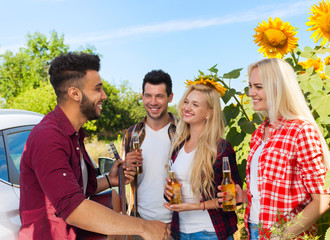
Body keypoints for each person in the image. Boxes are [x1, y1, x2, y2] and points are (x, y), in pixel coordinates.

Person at [19, 52, 170, 240]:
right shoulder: (48, 137)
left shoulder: (74, 135)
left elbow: (76, 189)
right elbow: (74, 208)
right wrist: (144, 228)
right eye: (97, 89)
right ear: (75, 93)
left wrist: (110, 180)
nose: (104, 96)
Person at [218, 58, 330, 240]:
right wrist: (244, 196)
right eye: (250, 86)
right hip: (255, 229)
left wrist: (281, 235)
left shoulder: (301, 130)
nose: (251, 93)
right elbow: (271, 192)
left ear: (278, 88)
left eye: (258, 87)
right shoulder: (258, 133)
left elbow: (322, 200)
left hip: (286, 235)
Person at [163, 78, 242, 240]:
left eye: (195, 104)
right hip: (181, 231)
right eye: (186, 102)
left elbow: (233, 199)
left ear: (209, 113)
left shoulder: (221, 149)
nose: (187, 107)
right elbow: (179, 189)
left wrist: (194, 206)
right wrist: (168, 193)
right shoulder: (178, 147)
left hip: (210, 232)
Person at [122, 70, 177, 239]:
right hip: (140, 223)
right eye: (148, 96)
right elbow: (125, 179)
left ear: (170, 97)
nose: (153, 102)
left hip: (177, 223)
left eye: (159, 96)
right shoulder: (132, 134)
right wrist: (125, 169)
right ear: (142, 96)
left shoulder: (184, 132)